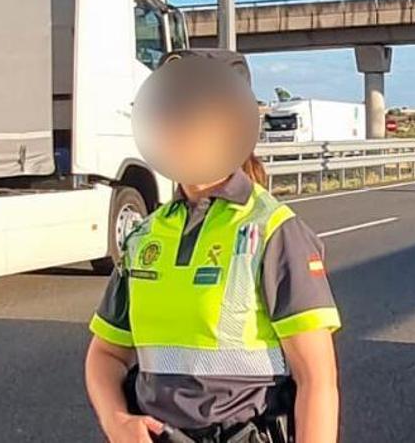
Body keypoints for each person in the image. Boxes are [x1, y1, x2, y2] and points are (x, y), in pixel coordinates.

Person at [85, 52, 341, 443]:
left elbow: (317, 379)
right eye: (170, 108)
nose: (179, 122)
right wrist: (117, 421)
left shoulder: (271, 231)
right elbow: (106, 354)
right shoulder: (145, 237)